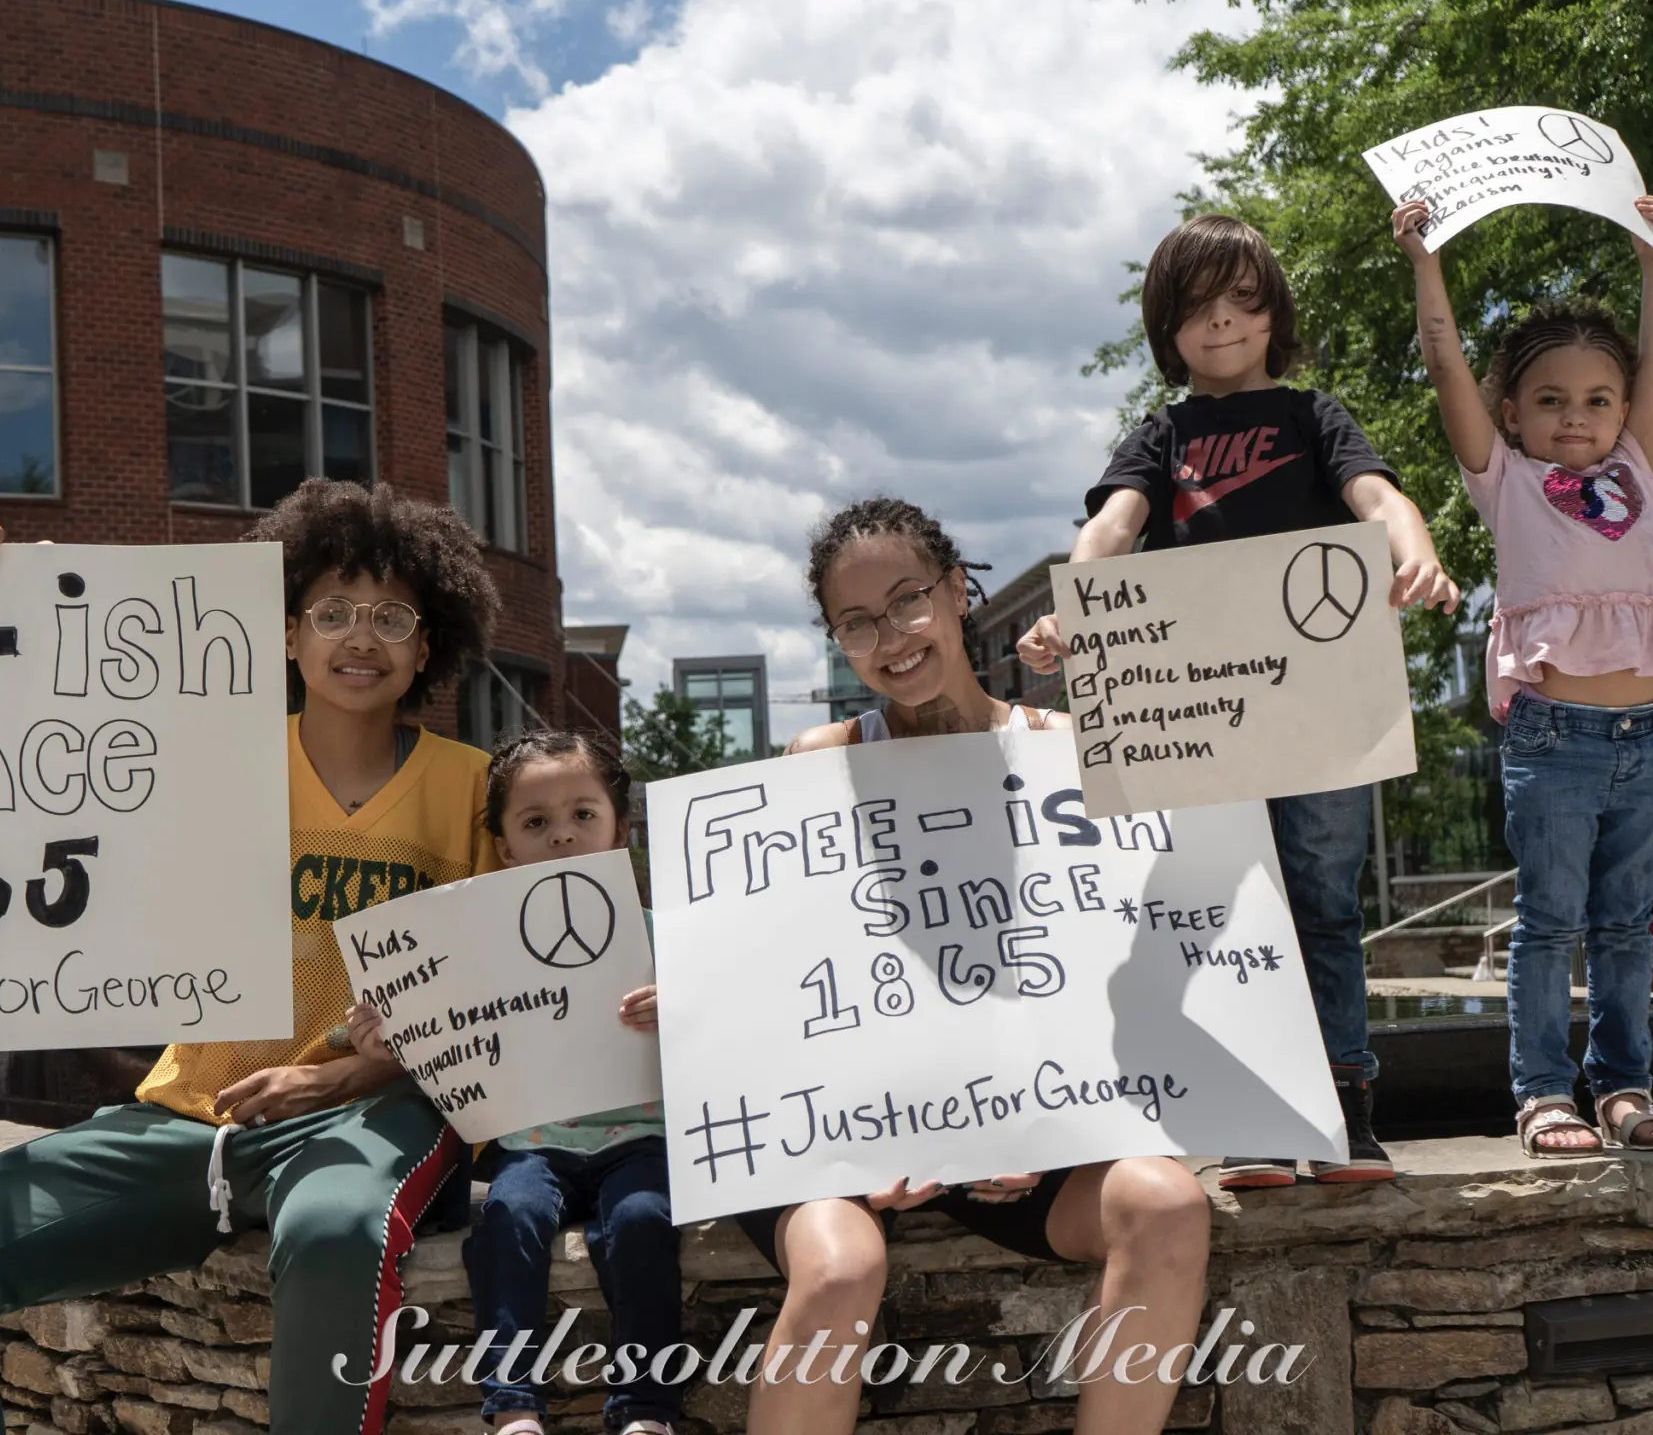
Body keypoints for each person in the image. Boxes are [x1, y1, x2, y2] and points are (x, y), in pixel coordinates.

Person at [0, 483, 502, 1435]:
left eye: (391, 617)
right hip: (189, 1117)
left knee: (335, 1230)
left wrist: (336, 1079)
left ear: (428, 646)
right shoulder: (202, 752)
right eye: (331, 610)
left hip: (374, 1112)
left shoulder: (476, 788)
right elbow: (34, 731)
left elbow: (510, 996)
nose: (359, 636)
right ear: (286, 635)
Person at [744, 497, 1211, 1435]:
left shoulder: (1068, 756)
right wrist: (875, 1137)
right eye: (857, 622)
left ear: (958, 594)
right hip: (860, 1136)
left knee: (1166, 1201)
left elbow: (1130, 963)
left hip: (1030, 1138)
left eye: (910, 600)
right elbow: (791, 988)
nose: (891, 636)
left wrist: (1035, 1125)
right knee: (841, 1270)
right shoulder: (817, 763)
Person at [1016, 215, 1459, 1189]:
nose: (1219, 322)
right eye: (1194, 307)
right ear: (1164, 325)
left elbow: (1379, 499)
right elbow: (1111, 526)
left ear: (1272, 312)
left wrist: (1414, 549)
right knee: (1223, 912)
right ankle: (1257, 1115)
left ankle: (1345, 1112)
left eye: (1239, 301)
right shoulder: (1160, 434)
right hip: (1196, 725)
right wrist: (1073, 607)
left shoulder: (1313, 415)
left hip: (1320, 715)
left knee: (1326, 908)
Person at [1393, 194, 1653, 1159]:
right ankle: (1541, 1093)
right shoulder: (1505, 478)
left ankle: (1623, 1088)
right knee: (1547, 926)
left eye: (1597, 400)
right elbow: (1446, 357)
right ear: (1511, 415)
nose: (1577, 418)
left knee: (1623, 925)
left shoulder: (1637, 469)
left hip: (1651, 736)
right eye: (1551, 401)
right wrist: (1426, 261)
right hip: (1555, 741)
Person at [349, 729, 677, 1435]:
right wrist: (386, 1033)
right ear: (505, 847)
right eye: (536, 823)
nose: (562, 836)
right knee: (507, 1216)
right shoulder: (475, 951)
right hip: (532, 1145)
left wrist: (686, 1006)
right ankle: (512, 1407)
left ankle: (647, 1410)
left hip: (644, 1142)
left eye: (583, 815)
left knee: (644, 1220)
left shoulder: (668, 937)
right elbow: (435, 1030)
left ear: (620, 829)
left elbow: (735, 1028)